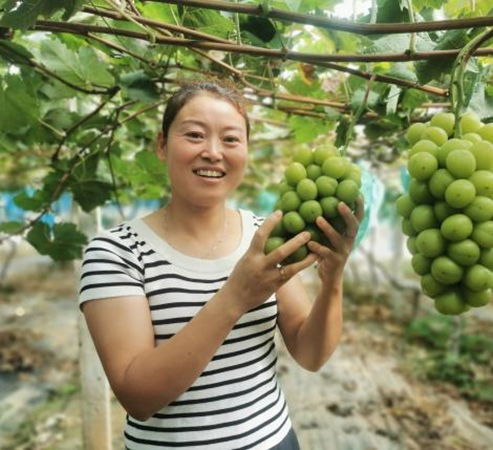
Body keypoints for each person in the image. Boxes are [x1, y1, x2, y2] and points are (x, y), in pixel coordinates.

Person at [79, 80, 364, 450]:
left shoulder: (265, 236)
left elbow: (310, 355)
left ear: (245, 152)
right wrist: (234, 297)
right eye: (195, 135)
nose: (213, 152)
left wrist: (333, 278)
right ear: (162, 145)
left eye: (231, 140)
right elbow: (138, 397)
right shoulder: (115, 251)